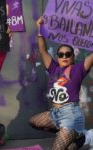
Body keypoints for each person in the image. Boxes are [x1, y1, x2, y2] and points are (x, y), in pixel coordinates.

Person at [29, 17, 93, 150]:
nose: (64, 57)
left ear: (72, 57)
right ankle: (77, 138)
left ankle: (74, 133)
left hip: (71, 115)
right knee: (33, 122)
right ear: (57, 57)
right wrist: (40, 29)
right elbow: (43, 51)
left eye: (68, 54)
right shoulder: (53, 68)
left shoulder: (78, 69)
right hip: (55, 113)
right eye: (61, 54)